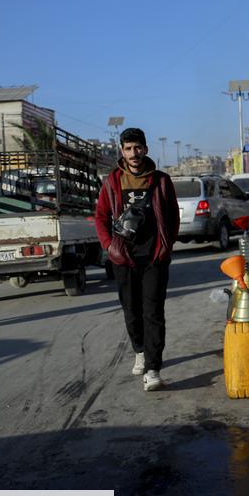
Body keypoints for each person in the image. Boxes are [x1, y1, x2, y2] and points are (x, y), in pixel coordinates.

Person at [94, 128, 179, 392]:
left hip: (154, 256)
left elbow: (173, 216)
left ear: (146, 149)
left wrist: (166, 245)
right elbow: (100, 217)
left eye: (138, 147)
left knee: (153, 312)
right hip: (124, 257)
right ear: (122, 151)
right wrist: (109, 246)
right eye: (129, 148)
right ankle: (140, 350)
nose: (134, 153)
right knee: (132, 311)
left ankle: (153, 369)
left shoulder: (161, 180)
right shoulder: (112, 181)